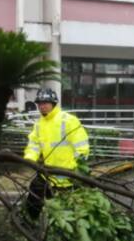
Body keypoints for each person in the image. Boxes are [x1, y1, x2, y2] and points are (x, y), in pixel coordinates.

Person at [23, 87, 90, 220]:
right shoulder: (39, 124)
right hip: (46, 173)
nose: (42, 106)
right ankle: (31, 223)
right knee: (33, 199)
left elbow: (82, 147)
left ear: (53, 104)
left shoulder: (68, 120)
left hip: (67, 175)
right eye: (39, 104)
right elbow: (34, 144)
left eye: (45, 103)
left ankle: (58, 229)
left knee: (64, 211)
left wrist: (77, 170)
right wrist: (30, 158)